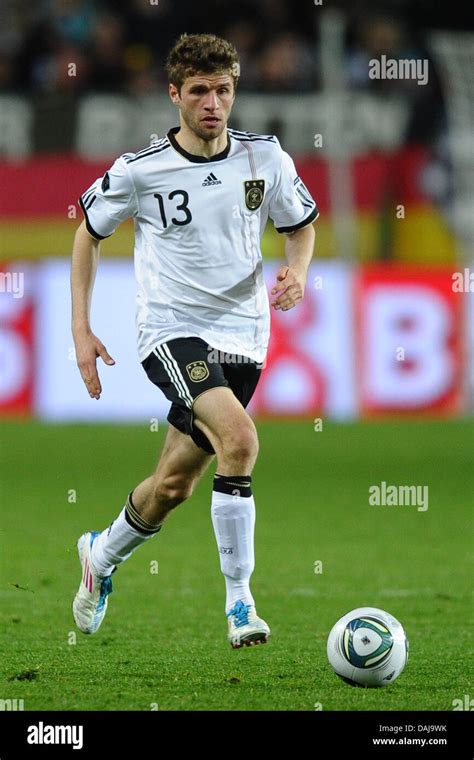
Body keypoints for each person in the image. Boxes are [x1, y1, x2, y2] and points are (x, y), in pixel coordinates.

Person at [71, 33, 318, 648]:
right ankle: (241, 605)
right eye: (201, 91)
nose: (213, 103)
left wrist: (299, 271)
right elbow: (87, 233)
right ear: (175, 94)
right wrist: (82, 327)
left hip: (245, 337)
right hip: (172, 330)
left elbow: (301, 225)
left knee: (174, 485)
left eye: (224, 90)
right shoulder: (141, 169)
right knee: (240, 440)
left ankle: (100, 557)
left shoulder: (267, 159)